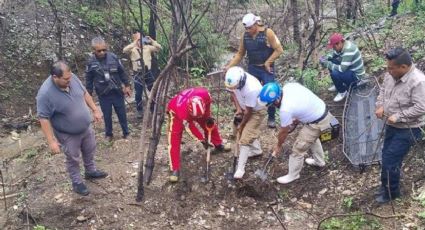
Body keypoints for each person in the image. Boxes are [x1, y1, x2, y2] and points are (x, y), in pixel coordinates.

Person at [36, 61, 108, 196]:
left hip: (85, 127)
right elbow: (43, 118)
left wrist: (95, 109)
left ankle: (90, 171)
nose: (70, 80)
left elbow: (85, 93)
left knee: (89, 149)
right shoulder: (45, 94)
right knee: (73, 158)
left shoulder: (71, 77)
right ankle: (76, 182)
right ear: (55, 77)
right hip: (67, 133)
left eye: (70, 77)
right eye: (66, 79)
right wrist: (51, 141)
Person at [258, 82, 337, 184]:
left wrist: (278, 146)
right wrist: (299, 117)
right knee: (312, 139)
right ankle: (319, 162)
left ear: (277, 99)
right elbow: (303, 100)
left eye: (271, 104)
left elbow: (283, 131)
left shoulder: (285, 109)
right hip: (322, 111)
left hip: (318, 122)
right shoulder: (289, 86)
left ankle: (293, 175)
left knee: (298, 148)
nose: (271, 106)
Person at [375, 47, 425, 203]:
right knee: (386, 155)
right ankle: (386, 185)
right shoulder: (391, 74)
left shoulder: (418, 81)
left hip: (409, 129)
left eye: (391, 68)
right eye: (388, 67)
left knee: (391, 160)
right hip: (391, 125)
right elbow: (383, 90)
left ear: (403, 67)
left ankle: (392, 193)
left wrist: (399, 116)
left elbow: (421, 107)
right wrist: (380, 105)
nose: (388, 71)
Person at [224, 13, 283, 128]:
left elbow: (279, 50)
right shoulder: (245, 36)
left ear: (256, 24)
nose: (248, 30)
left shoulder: (267, 33)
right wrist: (229, 66)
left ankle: (271, 117)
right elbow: (240, 53)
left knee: (270, 91)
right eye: (246, 28)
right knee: (248, 90)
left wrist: (268, 62)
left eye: (250, 28)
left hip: (266, 68)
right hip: (253, 67)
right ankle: (250, 113)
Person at [167, 87, 230, 182]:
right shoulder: (181, 111)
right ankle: (175, 168)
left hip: (198, 110)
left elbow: (207, 111)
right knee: (174, 138)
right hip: (175, 110)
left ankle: (218, 144)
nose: (198, 118)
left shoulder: (205, 95)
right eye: (197, 116)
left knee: (209, 123)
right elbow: (189, 127)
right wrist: (201, 139)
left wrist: (207, 117)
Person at [85, 37, 131, 142]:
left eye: (104, 50)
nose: (102, 52)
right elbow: (89, 80)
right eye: (99, 51)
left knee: (122, 113)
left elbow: (122, 72)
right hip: (103, 94)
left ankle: (126, 132)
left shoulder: (113, 57)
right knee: (107, 115)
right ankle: (109, 134)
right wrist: (89, 94)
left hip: (117, 92)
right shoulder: (91, 62)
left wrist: (127, 86)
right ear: (93, 50)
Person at [224, 66, 267, 179]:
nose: (233, 88)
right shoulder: (231, 79)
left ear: (241, 81)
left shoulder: (251, 88)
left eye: (235, 86)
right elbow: (233, 94)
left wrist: (242, 125)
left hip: (256, 111)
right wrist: (238, 109)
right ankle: (256, 150)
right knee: (240, 130)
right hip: (244, 107)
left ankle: (240, 169)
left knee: (244, 138)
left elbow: (249, 112)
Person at [123, 31, 162, 119]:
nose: (140, 41)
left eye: (141, 39)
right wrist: (134, 42)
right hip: (138, 73)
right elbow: (124, 50)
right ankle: (139, 110)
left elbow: (159, 48)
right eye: (138, 39)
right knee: (138, 93)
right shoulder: (132, 49)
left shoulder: (147, 48)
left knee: (152, 91)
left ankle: (153, 108)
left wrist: (152, 41)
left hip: (148, 72)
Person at [320, 33, 365, 102]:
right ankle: (338, 84)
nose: (333, 49)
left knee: (334, 73)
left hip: (356, 76)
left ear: (339, 43)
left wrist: (327, 64)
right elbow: (334, 53)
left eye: (334, 47)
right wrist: (327, 57)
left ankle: (342, 91)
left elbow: (342, 69)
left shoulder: (349, 49)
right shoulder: (343, 45)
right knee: (331, 61)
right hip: (350, 69)